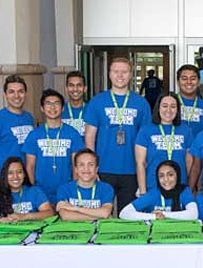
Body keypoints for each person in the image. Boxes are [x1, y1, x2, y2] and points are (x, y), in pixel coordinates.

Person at [84, 57, 151, 216]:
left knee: (126, 215)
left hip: (131, 170)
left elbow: (146, 139)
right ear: (109, 74)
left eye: (124, 71)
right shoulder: (97, 101)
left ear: (130, 75)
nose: (120, 75)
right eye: (116, 71)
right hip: (104, 168)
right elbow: (89, 138)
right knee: (100, 214)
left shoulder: (141, 103)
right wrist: (92, 167)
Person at [22, 89, 84, 204]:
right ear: (42, 108)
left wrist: (73, 190)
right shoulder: (34, 135)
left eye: (56, 103)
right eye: (48, 104)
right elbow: (30, 167)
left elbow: (77, 165)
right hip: (41, 192)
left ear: (63, 108)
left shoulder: (73, 134)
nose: (52, 107)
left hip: (66, 191)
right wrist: (32, 191)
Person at [134, 92, 193, 194]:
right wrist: (143, 193)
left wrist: (187, 187)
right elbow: (140, 163)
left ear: (178, 110)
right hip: (153, 187)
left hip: (179, 187)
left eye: (173, 106)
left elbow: (189, 162)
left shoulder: (186, 130)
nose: (168, 110)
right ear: (158, 108)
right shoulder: (146, 130)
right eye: (164, 106)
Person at [0, 75, 35, 187]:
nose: (16, 96)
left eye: (20, 91)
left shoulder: (29, 118)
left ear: (26, 94)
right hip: (6, 181)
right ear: (5, 95)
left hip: (26, 180)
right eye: (11, 92)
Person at [0, 157, 54, 223]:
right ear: (4, 175)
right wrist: (0, 219)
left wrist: (24, 216)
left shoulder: (34, 191)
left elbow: (49, 213)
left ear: (24, 174)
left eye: (19, 172)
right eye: (10, 173)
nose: (15, 177)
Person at [120, 160, 198, 220]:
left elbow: (193, 214)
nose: (166, 179)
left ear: (177, 175)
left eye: (170, 175)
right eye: (161, 176)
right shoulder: (154, 193)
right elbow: (124, 213)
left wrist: (164, 214)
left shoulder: (184, 191)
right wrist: (154, 216)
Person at [56, 149, 115, 221]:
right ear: (76, 169)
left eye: (91, 165)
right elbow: (65, 216)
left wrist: (74, 208)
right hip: (73, 231)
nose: (86, 168)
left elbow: (105, 213)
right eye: (81, 164)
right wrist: (98, 216)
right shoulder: (64, 188)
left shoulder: (106, 188)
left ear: (96, 169)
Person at [176, 64, 203, 136]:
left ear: (199, 82)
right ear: (178, 82)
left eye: (193, 79)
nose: (189, 82)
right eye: (184, 79)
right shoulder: (168, 105)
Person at [62, 70, 87, 136]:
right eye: (71, 85)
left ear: (85, 89)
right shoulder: (59, 111)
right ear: (66, 89)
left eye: (79, 85)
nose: (75, 89)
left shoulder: (93, 110)